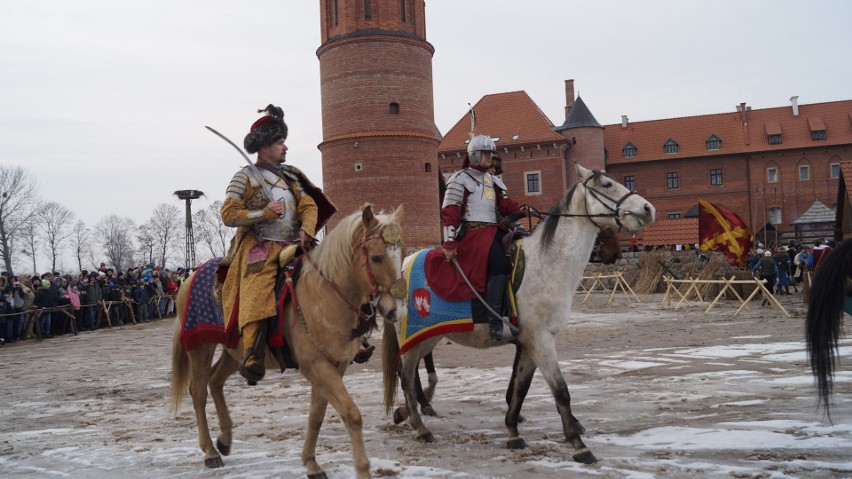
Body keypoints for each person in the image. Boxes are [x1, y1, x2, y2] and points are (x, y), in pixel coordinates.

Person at [219, 104, 336, 383]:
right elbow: (228, 215)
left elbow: (308, 205)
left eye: (284, 142)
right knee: (257, 289)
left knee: (332, 274)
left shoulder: (291, 176)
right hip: (261, 244)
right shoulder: (244, 177)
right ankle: (252, 351)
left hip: (295, 242)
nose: (285, 148)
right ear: (264, 145)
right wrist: (263, 213)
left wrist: (308, 228)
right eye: (280, 142)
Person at [425, 133, 523, 341]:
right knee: (500, 264)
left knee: (520, 253)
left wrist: (519, 210)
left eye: (491, 154)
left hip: (494, 231)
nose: (489, 158)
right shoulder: (460, 180)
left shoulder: (493, 181)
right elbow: (450, 213)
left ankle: (516, 312)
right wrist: (449, 242)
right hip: (473, 235)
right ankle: (494, 320)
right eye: (486, 154)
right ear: (475, 155)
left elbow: (504, 206)